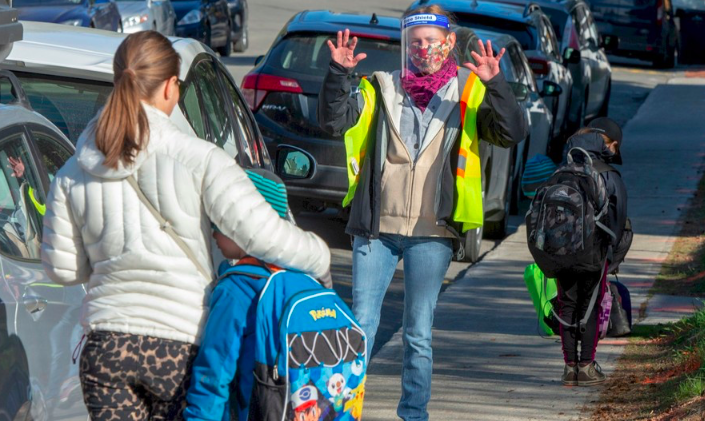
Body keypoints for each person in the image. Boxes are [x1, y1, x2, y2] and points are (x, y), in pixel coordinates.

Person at [40, 31, 330, 420]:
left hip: (105, 347)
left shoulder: (72, 172)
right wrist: (320, 256)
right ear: (170, 87)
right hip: (177, 344)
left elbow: (61, 269)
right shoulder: (200, 159)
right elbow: (263, 235)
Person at [317, 5, 527, 419]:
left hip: (433, 233)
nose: (423, 49)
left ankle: (413, 414)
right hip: (377, 227)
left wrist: (497, 84)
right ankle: (343, 411)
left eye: (432, 41)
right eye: (415, 42)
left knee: (418, 334)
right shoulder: (380, 87)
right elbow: (332, 121)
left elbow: (512, 132)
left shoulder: (469, 92)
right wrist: (338, 74)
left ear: (449, 42)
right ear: (404, 45)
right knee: (360, 326)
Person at [184, 169, 295, 421]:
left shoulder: (236, 290)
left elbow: (213, 374)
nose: (212, 229)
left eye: (219, 218)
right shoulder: (302, 279)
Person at [557, 117, 629, 386]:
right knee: (591, 306)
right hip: (594, 253)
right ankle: (586, 366)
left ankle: (568, 367)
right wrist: (611, 257)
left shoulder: (564, 167)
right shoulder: (609, 174)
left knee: (568, 305)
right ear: (608, 145)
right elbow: (619, 222)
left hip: (562, 250)